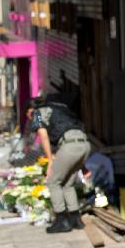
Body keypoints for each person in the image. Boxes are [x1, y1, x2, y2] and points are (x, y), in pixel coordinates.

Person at [26, 97, 91, 234]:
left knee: (53, 181)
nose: (29, 118)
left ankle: (61, 221)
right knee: (68, 183)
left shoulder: (37, 113)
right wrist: (83, 167)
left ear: (30, 109)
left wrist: (50, 161)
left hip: (69, 146)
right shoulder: (62, 107)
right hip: (85, 145)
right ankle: (75, 220)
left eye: (27, 114)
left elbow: (42, 135)